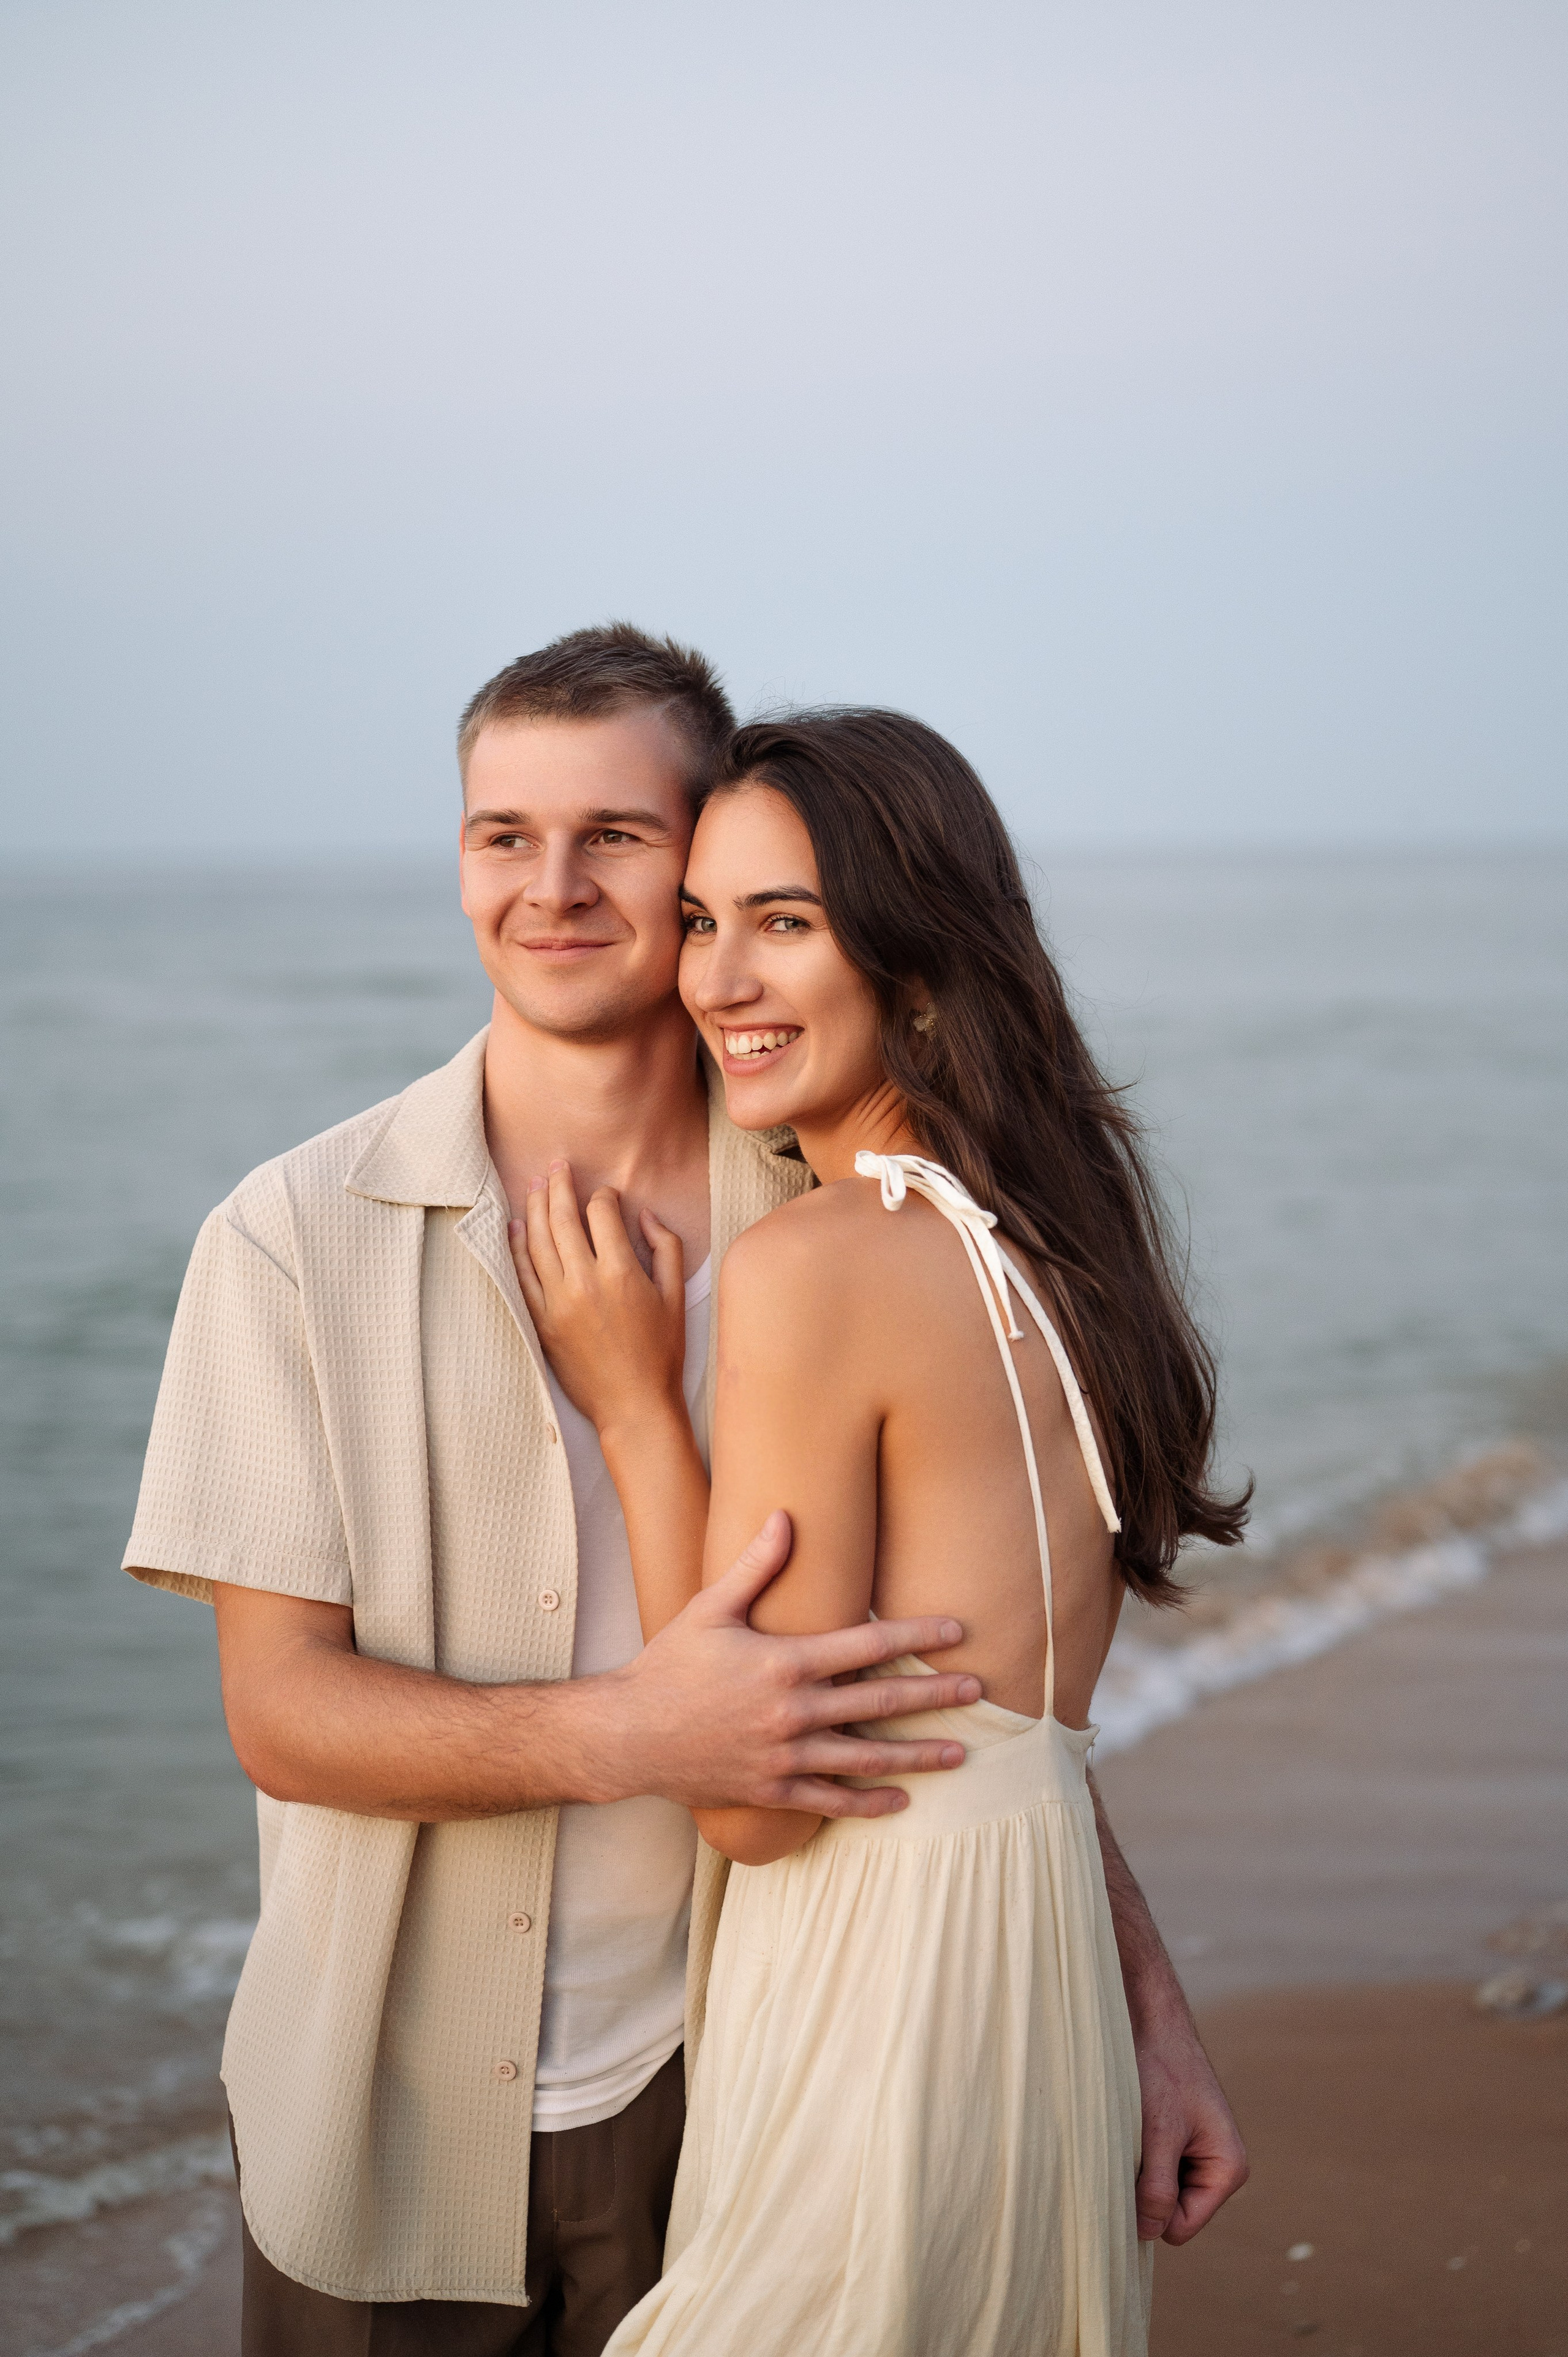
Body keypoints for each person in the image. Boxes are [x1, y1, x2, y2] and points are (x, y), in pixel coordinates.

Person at [123, 627, 1244, 2356]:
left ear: (703, 849)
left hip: (738, 2075)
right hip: (385, 2107)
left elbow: (950, 1680)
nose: (553, 888)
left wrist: (1139, 2003)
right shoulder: (288, 1242)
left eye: (618, 838)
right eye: (504, 835)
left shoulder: (833, 1221)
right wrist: (641, 1731)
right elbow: (282, 1714)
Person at [511, 707, 1252, 2356]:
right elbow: (1017, 1706)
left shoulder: (817, 1263)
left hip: (882, 1989)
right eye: (700, 921)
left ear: (914, 959)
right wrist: (1152, 2008)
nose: (718, 981)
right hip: (1038, 1975)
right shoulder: (1061, 1249)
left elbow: (752, 1803)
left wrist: (633, 1402)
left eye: (783, 922)